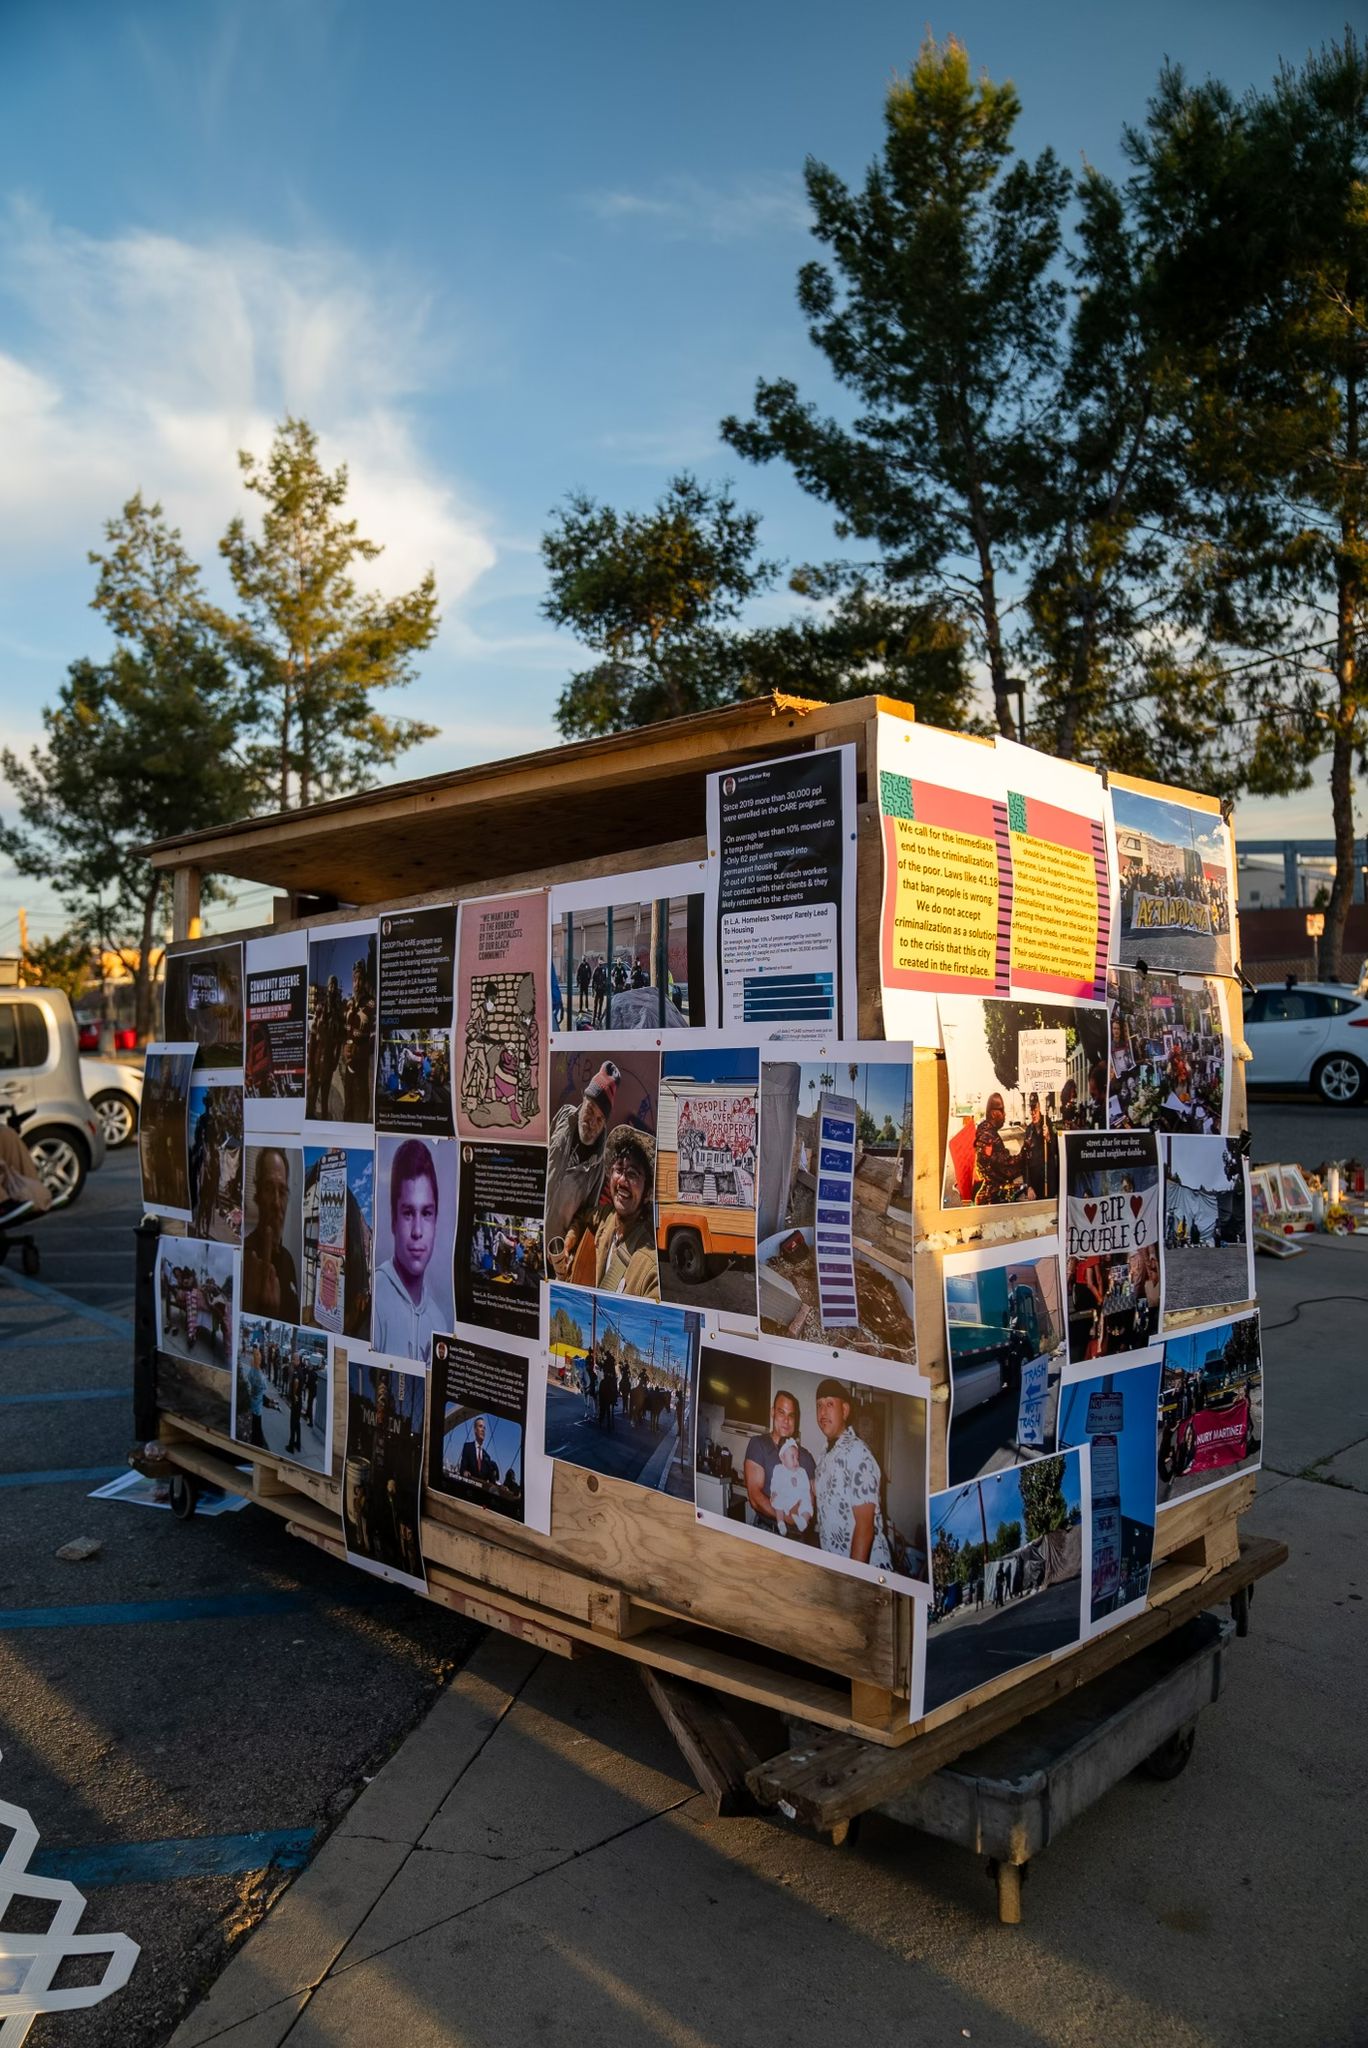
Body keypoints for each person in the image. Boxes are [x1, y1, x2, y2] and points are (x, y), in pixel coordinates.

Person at [371, 1139, 445, 1362]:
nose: (417, 1231)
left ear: (436, 1221)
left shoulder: (439, 1321)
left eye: (426, 1213)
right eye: (408, 1213)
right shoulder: (374, 1299)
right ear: (394, 1219)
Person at [813, 1379, 893, 1569]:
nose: (823, 1412)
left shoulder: (858, 1453)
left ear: (845, 1411)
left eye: (830, 1404)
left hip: (865, 1570)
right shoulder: (824, 1455)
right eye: (819, 1405)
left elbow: (865, 1528)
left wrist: (852, 1581)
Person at [546, 1062, 617, 1253]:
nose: (592, 1123)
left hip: (555, 1253)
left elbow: (586, 1216)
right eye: (590, 1110)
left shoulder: (598, 1165)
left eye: (600, 1119)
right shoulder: (564, 1116)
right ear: (583, 1100)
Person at [592, 1127, 660, 1297]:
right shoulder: (606, 1218)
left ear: (648, 1193)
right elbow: (581, 1219)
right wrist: (571, 1238)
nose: (622, 1180)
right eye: (619, 1170)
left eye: (632, 1174)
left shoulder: (650, 1265)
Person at [743, 1390, 818, 1541]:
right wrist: (786, 1517)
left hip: (798, 1537)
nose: (786, 1420)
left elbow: (811, 1500)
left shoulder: (806, 1457)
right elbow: (755, 1498)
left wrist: (800, 1515)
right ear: (772, 1413)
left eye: (791, 1415)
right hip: (767, 1531)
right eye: (781, 1412)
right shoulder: (759, 1445)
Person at [242, 1148, 301, 1322]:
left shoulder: (288, 1259)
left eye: (282, 1192)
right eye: (268, 1189)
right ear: (257, 1196)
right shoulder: (245, 1260)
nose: (277, 1203)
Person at [972, 1093, 1023, 1205]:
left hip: (989, 1197)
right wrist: (1024, 1154)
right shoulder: (988, 1137)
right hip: (991, 1199)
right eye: (1002, 1110)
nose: (1004, 1114)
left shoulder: (987, 1133)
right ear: (993, 1113)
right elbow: (1005, 1167)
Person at [769, 1436, 815, 1535]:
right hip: (784, 1496)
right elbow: (775, 1483)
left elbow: (805, 1488)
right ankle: (780, 1522)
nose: (796, 1462)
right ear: (782, 1458)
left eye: (797, 1458)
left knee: (807, 1503)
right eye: (792, 1457)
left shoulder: (801, 1471)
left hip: (798, 1497)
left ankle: (803, 1521)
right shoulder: (778, 1469)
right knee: (777, 1502)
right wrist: (774, 1492)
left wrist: (797, 1483)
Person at [459, 1415, 500, 1486]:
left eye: (484, 1428)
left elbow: (491, 1480)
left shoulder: (487, 1457)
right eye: (480, 1426)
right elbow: (462, 1468)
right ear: (475, 1429)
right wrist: (464, 1472)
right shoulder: (467, 1447)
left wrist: (500, 1486)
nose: (483, 1430)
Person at [242, 1342, 269, 1450]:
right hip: (256, 1407)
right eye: (256, 1355)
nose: (258, 1355)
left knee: (256, 1427)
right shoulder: (258, 1375)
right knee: (256, 1428)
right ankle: (257, 1445)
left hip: (255, 1406)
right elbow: (262, 1388)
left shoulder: (255, 1373)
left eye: (258, 1354)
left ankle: (257, 1444)